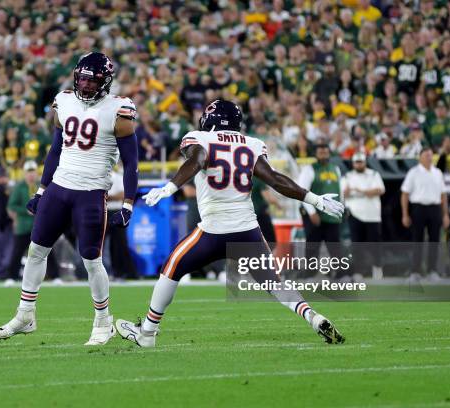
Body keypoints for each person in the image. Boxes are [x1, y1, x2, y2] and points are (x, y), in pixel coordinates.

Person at [114, 100, 345, 347]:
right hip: (248, 231)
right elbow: (276, 180)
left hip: (213, 230)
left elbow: (197, 161)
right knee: (275, 282)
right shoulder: (252, 144)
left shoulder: (200, 139)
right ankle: (312, 316)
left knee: (172, 268)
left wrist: (169, 187)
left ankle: (147, 332)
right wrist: (316, 200)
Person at [0, 52, 140, 346]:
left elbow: (131, 162)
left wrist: (128, 203)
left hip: (91, 192)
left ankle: (103, 321)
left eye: (91, 80)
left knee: (91, 260)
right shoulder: (64, 101)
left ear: (105, 81)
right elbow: (55, 151)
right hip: (59, 187)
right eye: (81, 78)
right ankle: (25, 315)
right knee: (35, 251)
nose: (84, 85)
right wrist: (42, 190)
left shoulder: (119, 109)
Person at [401, 147, 449, 281]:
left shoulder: (437, 172)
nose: (429, 158)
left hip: (435, 208)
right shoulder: (413, 172)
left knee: (435, 240)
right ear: (420, 157)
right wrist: (405, 214)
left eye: (430, 155)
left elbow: (443, 195)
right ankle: (415, 271)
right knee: (418, 240)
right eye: (426, 155)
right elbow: (405, 194)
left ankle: (432, 270)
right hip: (418, 208)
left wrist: (445, 214)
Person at [297, 144, 344, 277]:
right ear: (316, 154)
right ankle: (310, 274)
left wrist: (343, 206)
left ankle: (339, 273)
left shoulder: (335, 168)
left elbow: (340, 190)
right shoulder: (309, 169)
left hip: (332, 214)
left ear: (329, 154)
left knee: (334, 244)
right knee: (313, 244)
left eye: (325, 152)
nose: (323, 154)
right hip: (314, 214)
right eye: (320, 152)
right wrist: (311, 212)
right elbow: (302, 192)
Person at [341, 152, 385, 280]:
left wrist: (360, 191)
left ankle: (377, 269)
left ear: (365, 162)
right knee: (357, 245)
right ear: (353, 163)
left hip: (373, 215)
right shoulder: (348, 176)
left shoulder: (374, 174)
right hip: (355, 214)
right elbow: (345, 194)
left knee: (375, 244)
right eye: (357, 162)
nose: (359, 164)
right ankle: (358, 271)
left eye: (361, 162)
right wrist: (368, 192)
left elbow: (380, 190)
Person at [5, 160, 39, 284]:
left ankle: (55, 276)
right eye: (29, 172)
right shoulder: (19, 187)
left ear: (36, 173)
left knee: (46, 251)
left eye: (33, 172)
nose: (31, 175)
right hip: (23, 225)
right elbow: (11, 205)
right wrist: (26, 210)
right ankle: (11, 277)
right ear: (25, 174)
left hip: (39, 225)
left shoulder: (41, 186)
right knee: (17, 252)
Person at [104, 167, 137, 280]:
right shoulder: (98, 176)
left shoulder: (117, 177)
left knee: (119, 244)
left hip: (116, 211)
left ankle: (124, 272)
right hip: (103, 211)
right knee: (101, 245)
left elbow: (123, 195)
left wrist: (107, 197)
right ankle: (108, 272)